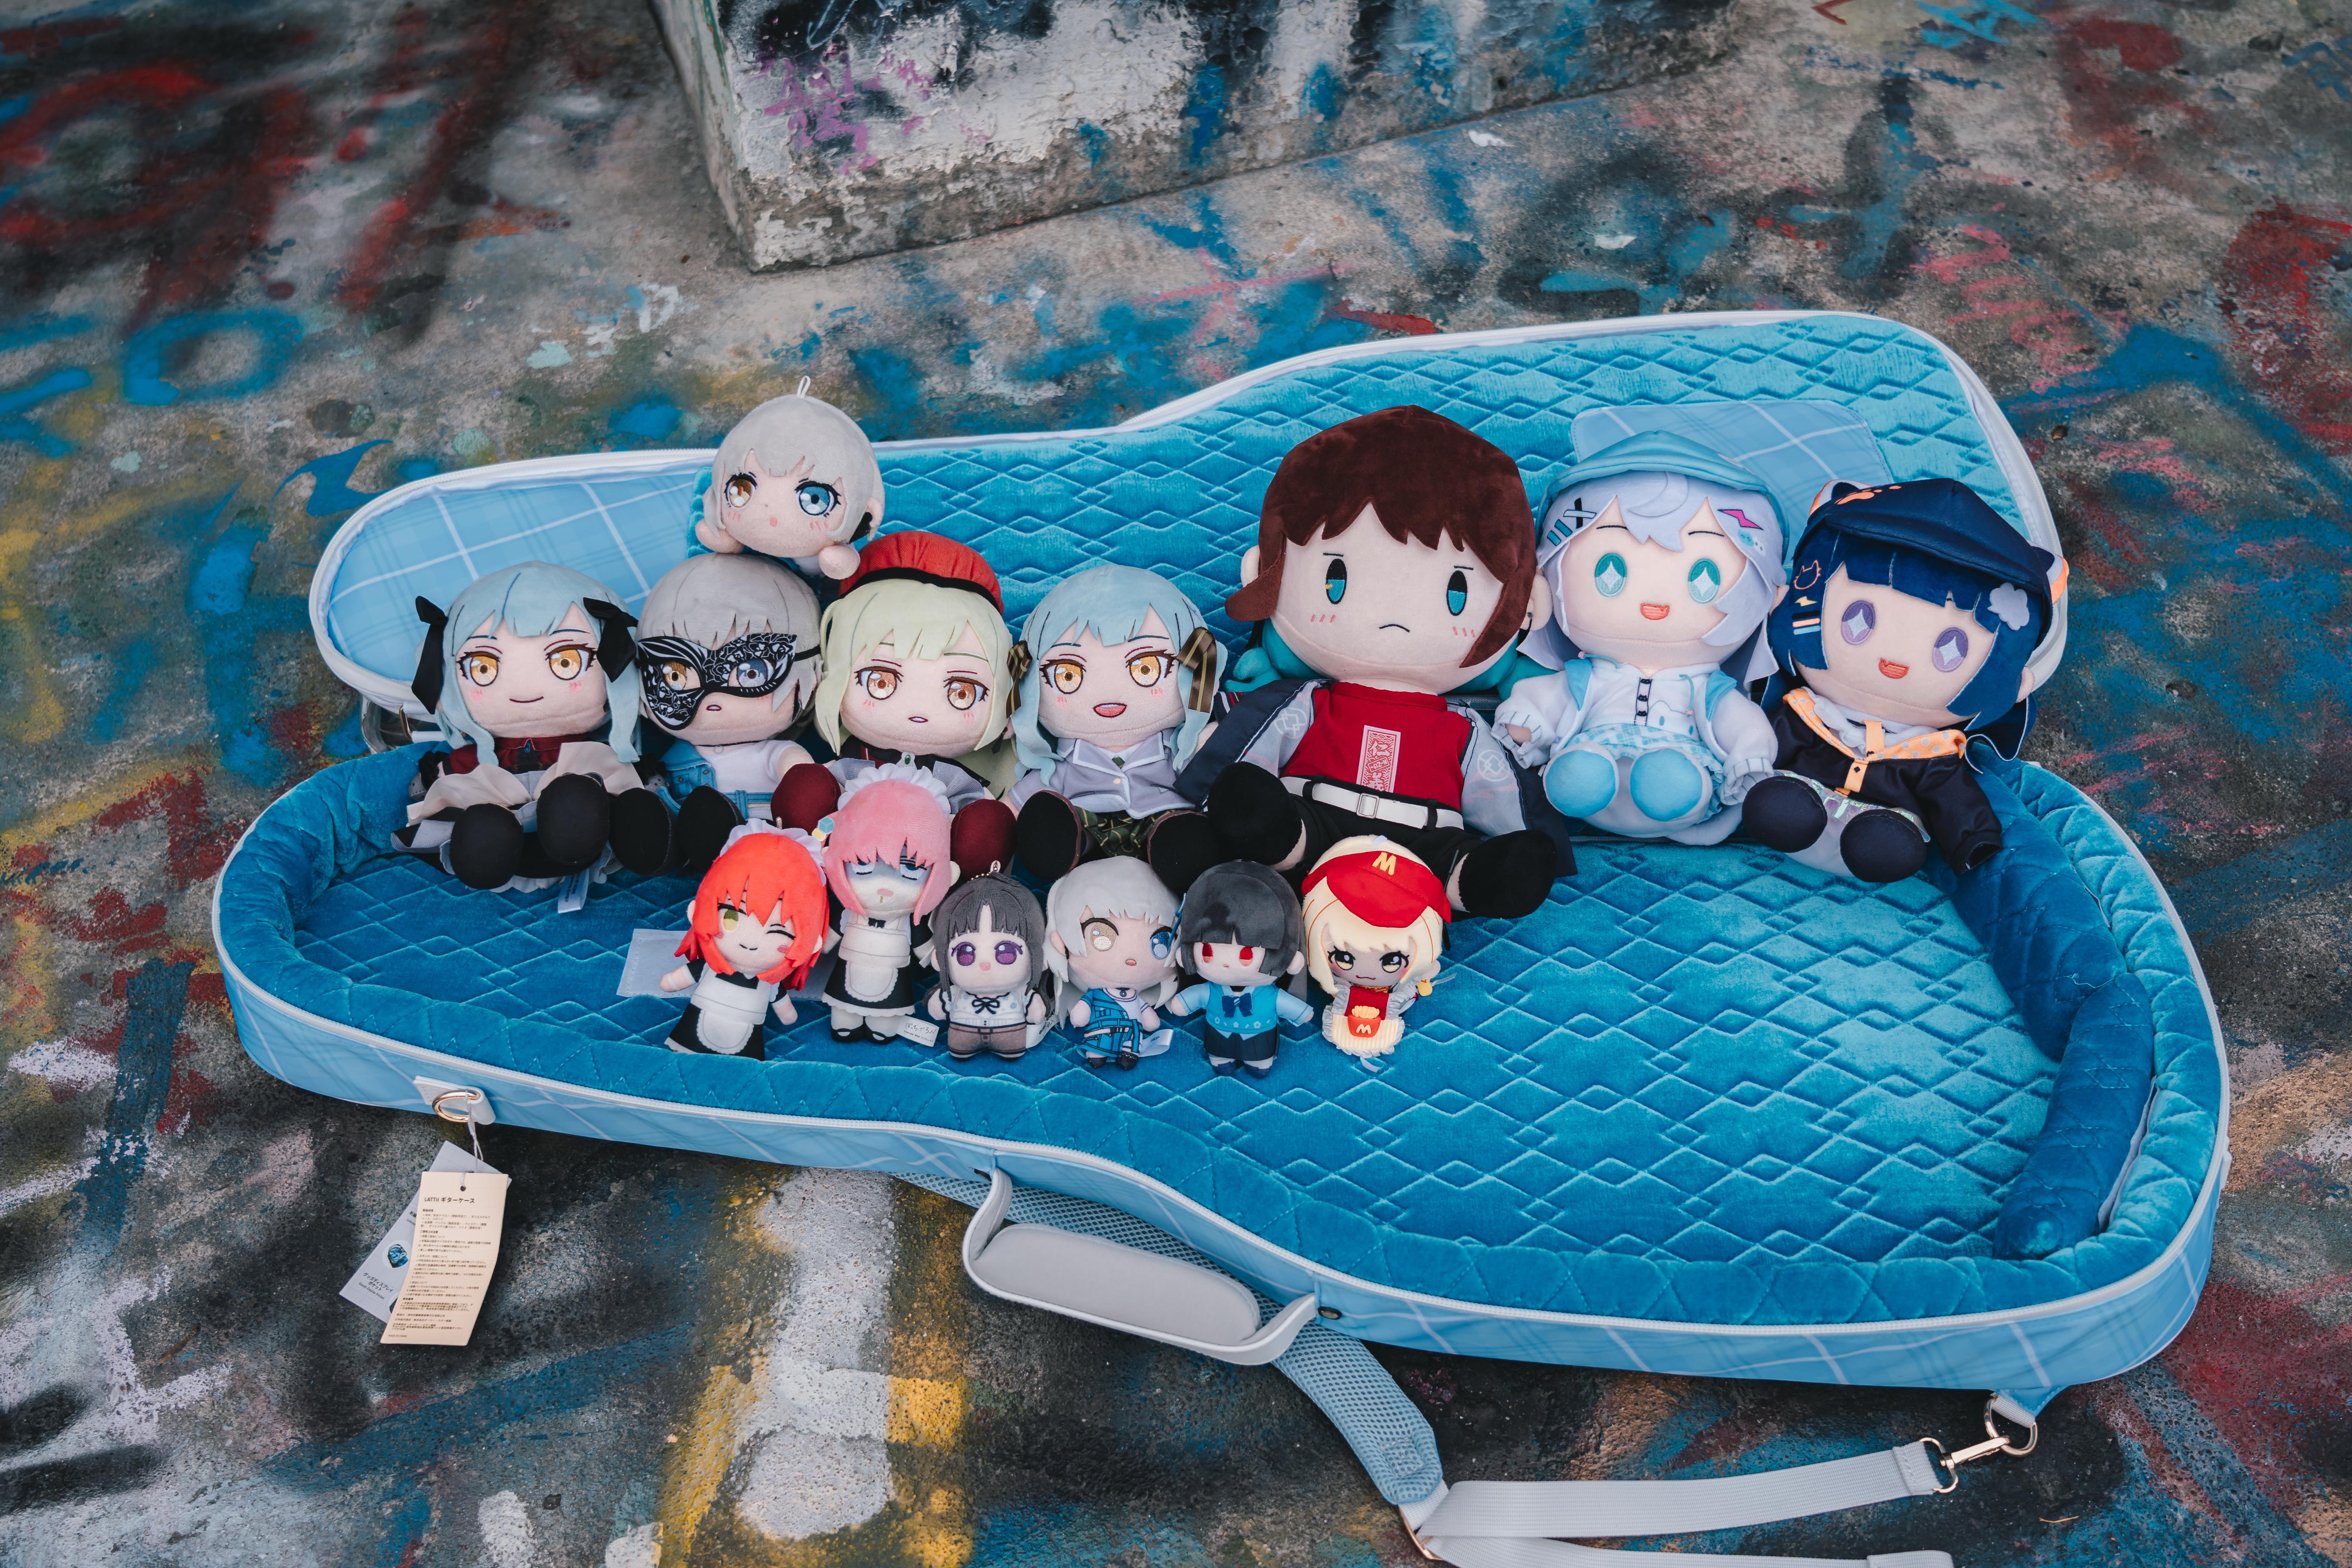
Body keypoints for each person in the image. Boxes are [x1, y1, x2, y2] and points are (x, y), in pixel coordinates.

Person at [1177, 405, 1566, 920]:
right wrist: (1217, 791)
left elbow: (1500, 787)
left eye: (1457, 590)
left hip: (1425, 846)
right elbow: (1251, 739)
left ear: (1527, 606)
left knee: (1472, 862)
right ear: (1262, 574)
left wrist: (1538, 839)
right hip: (1314, 824)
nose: (1394, 613)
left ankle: (1467, 880)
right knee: (1268, 816)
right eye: (1334, 578)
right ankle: (1282, 842)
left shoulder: (1465, 730)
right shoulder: (1307, 702)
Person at [1166, 860, 1313, 1078]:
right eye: (1207, 951)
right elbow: (1192, 999)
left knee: (1260, 1059)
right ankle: (1221, 1060)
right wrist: (1182, 1003)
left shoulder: (1270, 995)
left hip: (1259, 1038)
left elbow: (1292, 1008)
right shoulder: (1211, 990)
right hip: (1218, 1036)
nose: (1226, 964)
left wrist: (1302, 1013)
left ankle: (1259, 1064)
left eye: (1246, 955)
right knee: (1219, 1055)